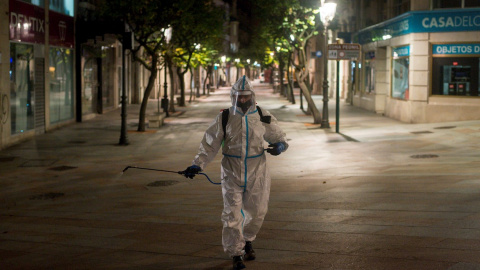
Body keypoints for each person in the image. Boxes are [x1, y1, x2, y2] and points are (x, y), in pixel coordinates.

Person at [184, 76, 288, 270]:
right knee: (232, 214)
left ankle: (247, 239)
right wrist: (197, 164)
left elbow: (278, 136)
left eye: (245, 96)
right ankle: (236, 253)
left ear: (251, 96)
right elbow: (210, 143)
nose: (242, 100)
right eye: (239, 97)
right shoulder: (224, 118)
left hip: (258, 172)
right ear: (234, 96)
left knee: (257, 212)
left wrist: (280, 146)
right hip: (231, 171)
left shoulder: (262, 115)